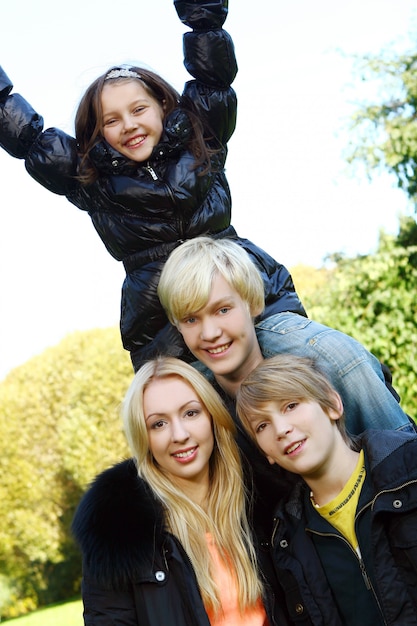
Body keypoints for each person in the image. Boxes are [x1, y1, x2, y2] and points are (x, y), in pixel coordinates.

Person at [0, 0, 304, 372]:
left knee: (338, 364)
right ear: (99, 133)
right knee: (202, 420)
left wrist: (202, 11)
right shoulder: (92, 179)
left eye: (138, 109)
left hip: (253, 297)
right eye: (111, 120)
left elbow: (214, 74)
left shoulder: (201, 136)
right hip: (166, 330)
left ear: (162, 105)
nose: (128, 125)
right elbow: (26, 138)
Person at [71, 357, 290, 625]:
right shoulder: (117, 532)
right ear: (144, 437)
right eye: (158, 424)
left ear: (212, 416)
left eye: (190, 413)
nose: (179, 434)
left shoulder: (266, 505)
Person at [236, 354, 417, 625]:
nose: (281, 429)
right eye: (262, 425)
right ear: (266, 453)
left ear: (332, 404)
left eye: (291, 405)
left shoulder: (410, 468)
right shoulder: (285, 538)